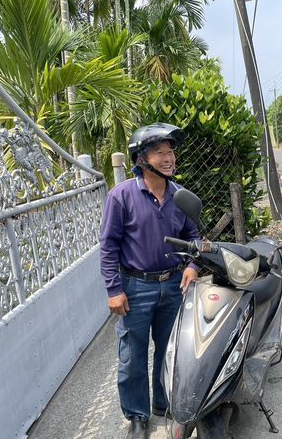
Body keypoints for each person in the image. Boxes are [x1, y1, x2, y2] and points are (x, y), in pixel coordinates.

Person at [100, 122, 200, 439]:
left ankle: (162, 404)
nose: (169, 158)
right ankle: (138, 416)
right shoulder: (121, 197)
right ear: (142, 159)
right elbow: (109, 246)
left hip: (173, 285)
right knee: (132, 355)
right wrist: (114, 290)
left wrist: (192, 265)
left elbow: (193, 236)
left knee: (170, 350)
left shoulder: (180, 196)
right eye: (160, 152)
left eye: (171, 152)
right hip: (135, 287)